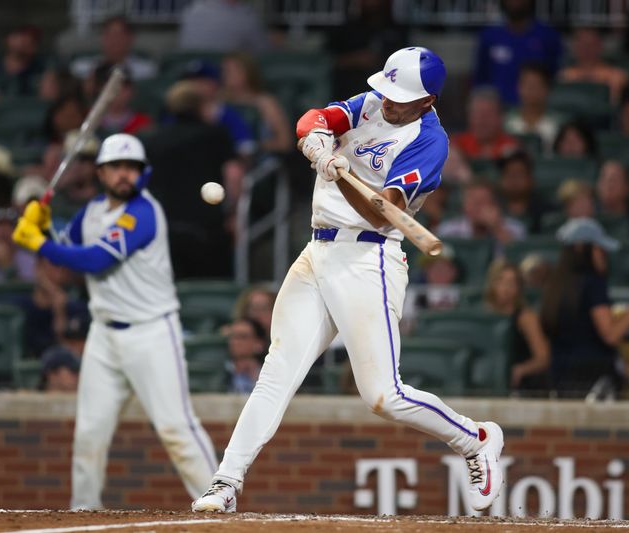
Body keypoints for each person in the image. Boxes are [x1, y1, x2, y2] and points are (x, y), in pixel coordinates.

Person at [191, 46, 505, 514]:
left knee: (383, 396)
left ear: (428, 101)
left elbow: (384, 213)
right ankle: (226, 481)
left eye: (402, 98)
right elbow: (313, 118)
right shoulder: (374, 102)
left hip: (369, 259)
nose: (390, 102)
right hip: (317, 252)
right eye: (389, 92)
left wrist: (338, 175)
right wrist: (318, 143)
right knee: (276, 372)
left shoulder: (429, 142)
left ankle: (475, 439)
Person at [12, 133, 216, 510]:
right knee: (89, 433)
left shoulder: (143, 211)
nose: (124, 175)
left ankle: (221, 505)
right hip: (104, 335)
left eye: (131, 168)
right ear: (101, 172)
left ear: (143, 174)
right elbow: (68, 248)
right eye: (116, 168)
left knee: (176, 428)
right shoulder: (90, 212)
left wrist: (38, 243)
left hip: (152, 330)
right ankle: (82, 513)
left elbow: (95, 260)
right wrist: (43, 227)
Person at [541, 218, 629, 397]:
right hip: (594, 380)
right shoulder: (592, 283)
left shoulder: (555, 286)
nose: (604, 255)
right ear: (581, 248)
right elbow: (610, 335)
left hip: (560, 378)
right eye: (599, 249)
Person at [147, 81, 244, 279]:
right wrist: (234, 213)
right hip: (208, 228)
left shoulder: (154, 139)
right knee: (212, 288)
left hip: (165, 228)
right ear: (201, 105)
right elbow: (233, 174)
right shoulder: (215, 134)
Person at [473, 0, 563, 105]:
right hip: (499, 112)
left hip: (538, 110)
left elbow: (557, 77)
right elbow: (480, 82)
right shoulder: (489, 37)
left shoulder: (548, 36)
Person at [483, 259, 551, 394]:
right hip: (486, 383)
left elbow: (544, 358)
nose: (506, 288)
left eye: (511, 283)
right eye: (500, 281)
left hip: (522, 387)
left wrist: (520, 370)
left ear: (519, 287)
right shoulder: (483, 315)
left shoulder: (526, 317)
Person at [221, 52, 293, 154]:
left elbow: (285, 142)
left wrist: (256, 146)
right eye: (225, 71)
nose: (227, 75)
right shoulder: (219, 101)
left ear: (247, 72)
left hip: (260, 157)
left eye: (233, 71)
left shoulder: (265, 102)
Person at [438, 180, 527, 254]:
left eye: (484, 202)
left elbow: (518, 256)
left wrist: (497, 228)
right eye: (476, 203)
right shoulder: (448, 231)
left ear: (494, 204)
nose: (480, 208)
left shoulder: (514, 228)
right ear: (464, 206)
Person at [70, 16, 157, 81]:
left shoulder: (146, 70)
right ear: (102, 38)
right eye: (110, 35)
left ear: (130, 38)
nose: (114, 41)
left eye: (119, 35)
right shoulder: (82, 67)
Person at [558, 27, 628, 103]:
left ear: (600, 46)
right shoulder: (563, 75)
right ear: (575, 47)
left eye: (591, 44)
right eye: (582, 45)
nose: (587, 49)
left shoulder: (617, 76)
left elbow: (616, 104)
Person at [504, 64, 563, 153]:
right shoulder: (505, 122)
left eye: (536, 85)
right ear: (519, 88)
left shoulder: (560, 124)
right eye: (527, 84)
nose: (531, 90)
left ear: (547, 89)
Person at [451, 88, 519, 160]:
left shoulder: (511, 147)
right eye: (478, 114)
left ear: (500, 117)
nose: (483, 121)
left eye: (488, 115)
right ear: (469, 117)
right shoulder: (457, 145)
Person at [179, 0, 269, 53]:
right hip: (226, 78)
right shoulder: (245, 18)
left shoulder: (190, 12)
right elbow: (263, 52)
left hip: (193, 76)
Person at [496, 149, 551, 232]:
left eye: (519, 174)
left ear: (531, 179)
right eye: (509, 174)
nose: (513, 179)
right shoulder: (494, 207)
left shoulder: (546, 211)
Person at [94, 66, 152, 136]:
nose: (117, 92)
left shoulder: (143, 123)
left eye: (123, 87)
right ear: (100, 89)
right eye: (111, 87)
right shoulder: (88, 119)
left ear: (132, 91)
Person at [0, 25, 45, 96]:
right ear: (8, 39)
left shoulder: (42, 68)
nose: (24, 42)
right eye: (21, 37)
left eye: (32, 40)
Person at [595, 160, 629, 230]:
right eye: (604, 178)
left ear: (627, 188)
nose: (608, 185)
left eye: (614, 180)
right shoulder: (589, 218)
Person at [226, 318, 266, 394]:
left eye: (243, 337)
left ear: (259, 343)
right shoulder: (222, 373)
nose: (235, 342)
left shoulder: (268, 375)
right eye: (233, 336)